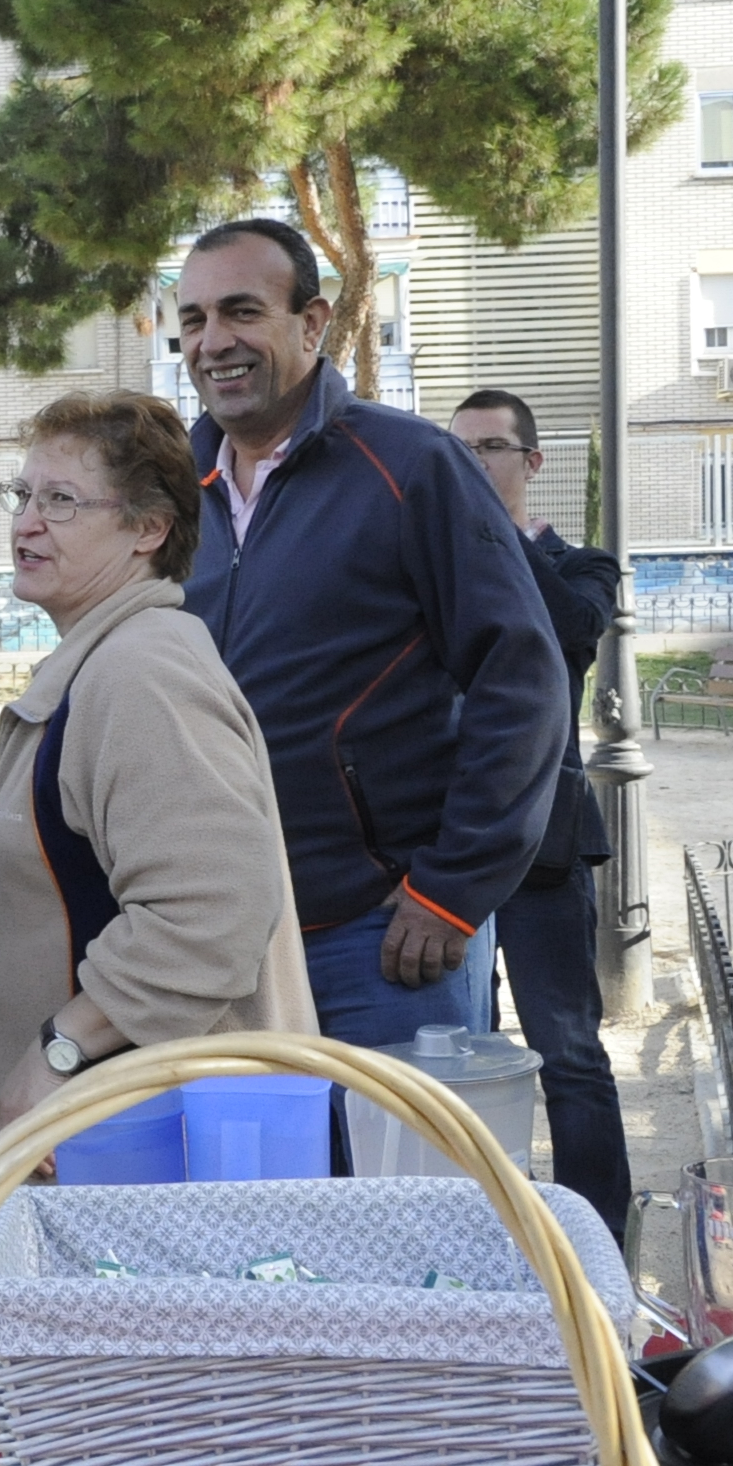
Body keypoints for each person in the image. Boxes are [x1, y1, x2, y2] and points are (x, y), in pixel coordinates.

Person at [174, 218, 566, 1051]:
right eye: (195, 320)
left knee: (406, 1182)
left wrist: (452, 888)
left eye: (242, 311)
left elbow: (522, 677)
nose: (215, 342)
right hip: (222, 944)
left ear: (312, 324)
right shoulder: (174, 492)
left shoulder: (412, 463)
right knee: (258, 1184)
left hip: (382, 941)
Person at [0, 391, 319, 1128]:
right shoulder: (105, 661)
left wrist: (59, 1051)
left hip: (150, 1144)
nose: (27, 521)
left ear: (148, 529)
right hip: (113, 1138)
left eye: (61, 501)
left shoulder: (142, 674)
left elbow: (213, 913)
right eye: (22, 494)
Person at [450, 388, 633, 1237]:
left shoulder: (578, 566)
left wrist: (491, 539)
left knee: (568, 1056)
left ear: (531, 462)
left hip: (546, 852)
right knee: (463, 1059)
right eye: (459, 452)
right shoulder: (435, 571)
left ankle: (597, 1243)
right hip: (447, 853)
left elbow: (567, 632)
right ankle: (491, 1236)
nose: (473, 465)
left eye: (488, 448)